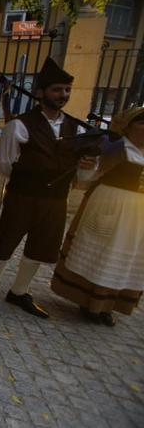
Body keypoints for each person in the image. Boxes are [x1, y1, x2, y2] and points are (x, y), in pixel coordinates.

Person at [0, 57, 97, 319]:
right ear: (41, 92)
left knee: (41, 246)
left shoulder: (76, 128)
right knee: (7, 243)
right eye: (57, 89)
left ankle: (19, 291)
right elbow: (4, 163)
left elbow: (82, 173)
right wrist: (35, 176)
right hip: (23, 195)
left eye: (67, 90)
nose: (63, 95)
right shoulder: (19, 125)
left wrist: (85, 166)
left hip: (56, 199)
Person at [51, 107, 144, 326]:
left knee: (127, 258)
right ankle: (91, 303)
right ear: (129, 126)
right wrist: (88, 167)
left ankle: (110, 305)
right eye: (141, 125)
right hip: (110, 204)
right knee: (105, 254)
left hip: (138, 215)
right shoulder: (117, 147)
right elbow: (86, 177)